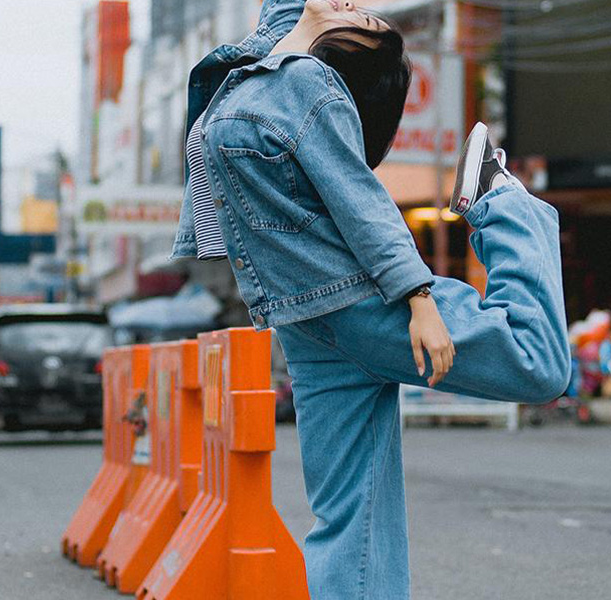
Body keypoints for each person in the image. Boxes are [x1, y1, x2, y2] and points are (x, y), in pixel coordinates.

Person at [169, 1, 571, 598]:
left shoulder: (294, 83)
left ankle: (497, 200)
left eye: (363, 15)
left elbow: (362, 200)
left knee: (536, 368)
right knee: (353, 516)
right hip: (327, 314)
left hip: (340, 310)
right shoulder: (264, 74)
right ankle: (499, 202)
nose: (354, 4)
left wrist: (418, 296)